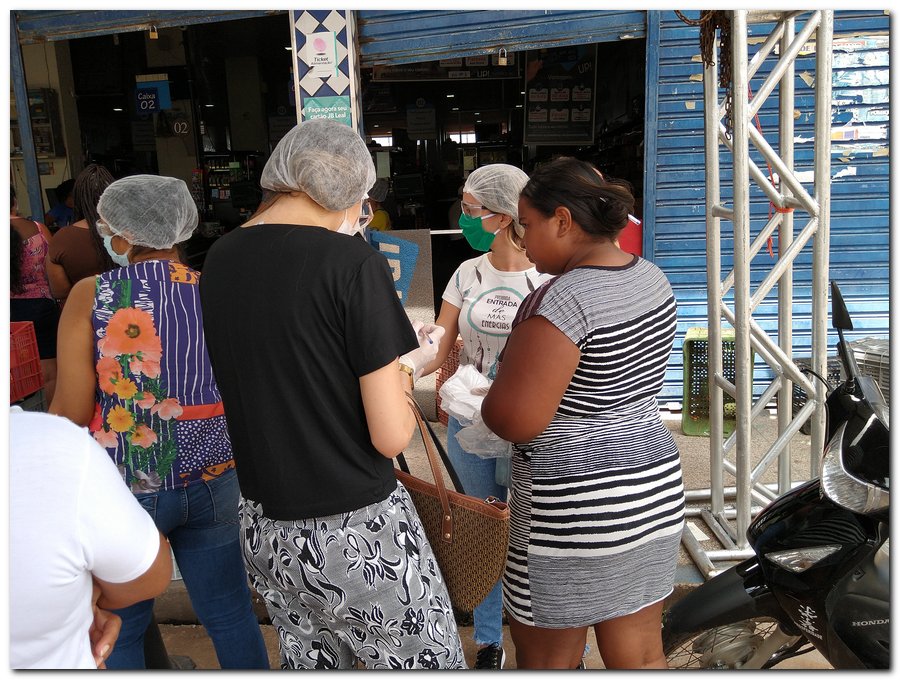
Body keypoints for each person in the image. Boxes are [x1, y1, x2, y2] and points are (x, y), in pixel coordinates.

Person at [198, 118, 466, 670]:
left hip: (263, 527)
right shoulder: (351, 263)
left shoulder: (220, 259)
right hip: (354, 531)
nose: (363, 215)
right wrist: (408, 366)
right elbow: (389, 433)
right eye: (364, 201)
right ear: (345, 191)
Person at [49, 174, 269, 670]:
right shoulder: (218, 289)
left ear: (122, 236)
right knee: (230, 613)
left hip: (125, 484)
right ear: (182, 227)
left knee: (120, 627)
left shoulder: (92, 294)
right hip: (214, 476)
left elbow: (69, 408)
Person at [481, 157, 685, 669]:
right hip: (651, 489)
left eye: (527, 226)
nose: (523, 240)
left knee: (549, 657)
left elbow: (514, 419)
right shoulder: (651, 277)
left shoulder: (562, 300)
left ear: (564, 220)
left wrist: (480, 397)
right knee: (639, 652)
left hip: (574, 507)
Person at [412, 163, 553, 669]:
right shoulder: (466, 272)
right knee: (484, 532)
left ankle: (551, 643)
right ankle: (490, 640)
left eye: (471, 209)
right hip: (472, 426)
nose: (465, 217)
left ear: (502, 214)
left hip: (534, 428)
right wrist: (408, 365)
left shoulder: (551, 276)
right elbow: (438, 342)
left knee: (538, 537)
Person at [10, 408, 173, 669]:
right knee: (226, 613)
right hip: (207, 472)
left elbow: (75, 402)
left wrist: (70, 602)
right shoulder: (51, 445)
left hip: (130, 475)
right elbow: (150, 576)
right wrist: (73, 604)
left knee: (129, 635)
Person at [10, 186, 60, 403]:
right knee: (49, 372)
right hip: (41, 306)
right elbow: (53, 270)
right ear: (14, 201)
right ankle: (51, 420)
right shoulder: (39, 229)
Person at [45, 164, 116, 309]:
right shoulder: (132, 232)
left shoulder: (62, 238)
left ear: (77, 199)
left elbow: (59, 291)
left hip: (83, 313)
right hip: (134, 315)